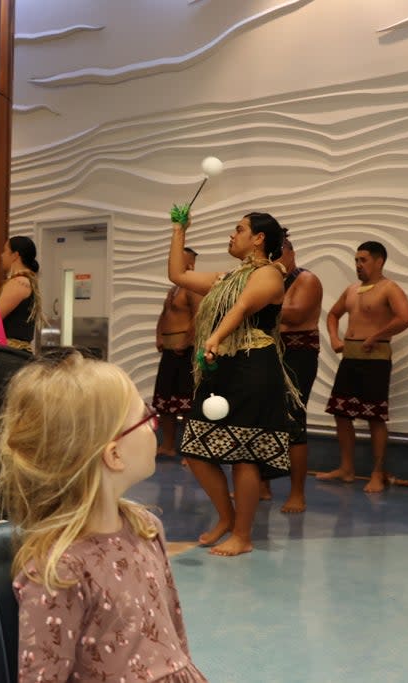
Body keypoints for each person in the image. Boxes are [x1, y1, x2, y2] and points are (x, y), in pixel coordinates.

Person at [0, 349, 207, 683]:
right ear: (114, 454)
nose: (155, 426)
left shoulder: (146, 527)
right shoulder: (60, 569)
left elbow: (174, 642)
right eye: (145, 418)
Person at [168, 212, 299, 557]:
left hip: (254, 367)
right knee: (196, 450)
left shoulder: (270, 274)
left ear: (259, 239)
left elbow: (242, 307)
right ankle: (226, 518)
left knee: (245, 456)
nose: (232, 235)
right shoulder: (229, 276)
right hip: (225, 366)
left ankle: (243, 535)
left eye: (239, 229)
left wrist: (213, 339)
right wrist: (179, 231)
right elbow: (178, 274)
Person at [317, 241, 408, 493]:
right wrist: (334, 338)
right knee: (341, 413)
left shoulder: (389, 288)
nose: (358, 265)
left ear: (379, 261)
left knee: (374, 417)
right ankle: (347, 468)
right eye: (356, 260)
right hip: (350, 357)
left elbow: (406, 317)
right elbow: (332, 315)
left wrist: (376, 335)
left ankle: (377, 473)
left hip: (376, 358)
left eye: (363, 260)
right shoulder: (351, 290)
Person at [262, 236, 323, 512]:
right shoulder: (269, 282)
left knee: (294, 420)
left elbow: (297, 314)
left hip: (298, 355)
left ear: (291, 253)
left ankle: (297, 492)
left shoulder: (306, 280)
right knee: (261, 417)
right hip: (270, 352)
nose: (276, 259)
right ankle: (262, 484)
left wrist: (259, 302)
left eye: (279, 253)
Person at [153, 247, 202, 457]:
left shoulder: (193, 288)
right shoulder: (173, 289)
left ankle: (190, 452)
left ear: (190, 265)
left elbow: (199, 317)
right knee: (164, 402)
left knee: (187, 404)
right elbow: (164, 314)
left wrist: (187, 341)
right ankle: (168, 446)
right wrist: (158, 335)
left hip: (186, 352)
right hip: (169, 351)